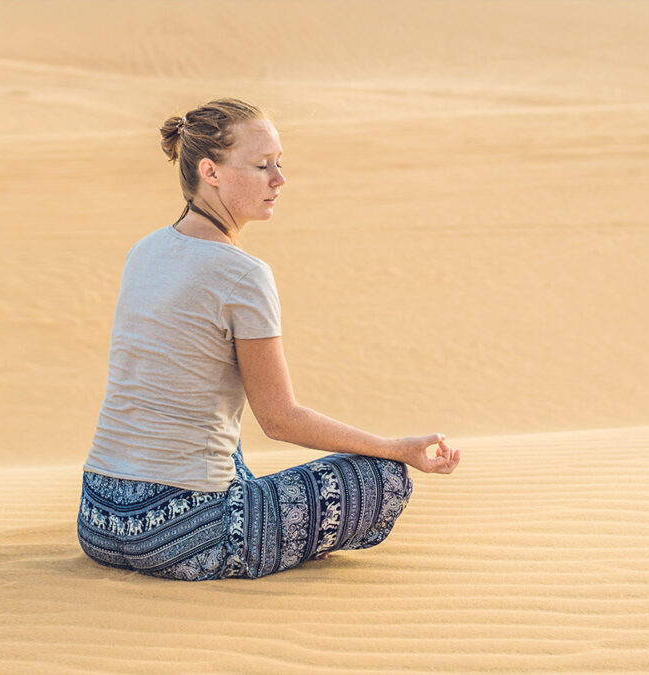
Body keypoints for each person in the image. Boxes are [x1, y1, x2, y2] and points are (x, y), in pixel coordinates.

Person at [77, 98, 460, 581]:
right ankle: (277, 540)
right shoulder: (243, 274)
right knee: (381, 479)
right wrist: (395, 448)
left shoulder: (145, 251)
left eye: (280, 164)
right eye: (262, 166)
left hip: (99, 521)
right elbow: (279, 420)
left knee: (223, 437)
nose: (279, 180)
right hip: (180, 537)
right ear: (210, 171)